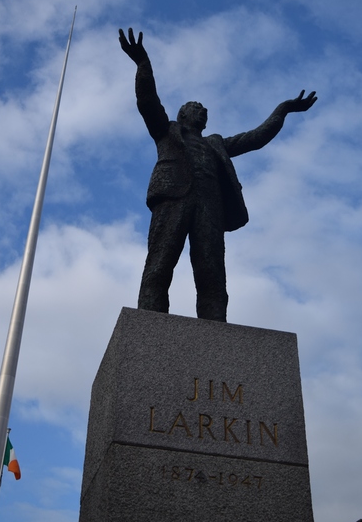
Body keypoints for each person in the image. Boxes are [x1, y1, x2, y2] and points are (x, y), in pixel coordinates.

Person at [119, 27, 317, 322]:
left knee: (212, 274)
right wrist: (143, 64)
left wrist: (283, 109)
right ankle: (150, 324)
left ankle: (215, 330)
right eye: (196, 108)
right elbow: (148, 102)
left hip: (209, 207)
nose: (203, 111)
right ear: (182, 115)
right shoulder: (167, 130)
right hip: (174, 197)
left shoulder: (216, 143)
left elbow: (256, 138)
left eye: (204, 110)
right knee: (160, 263)